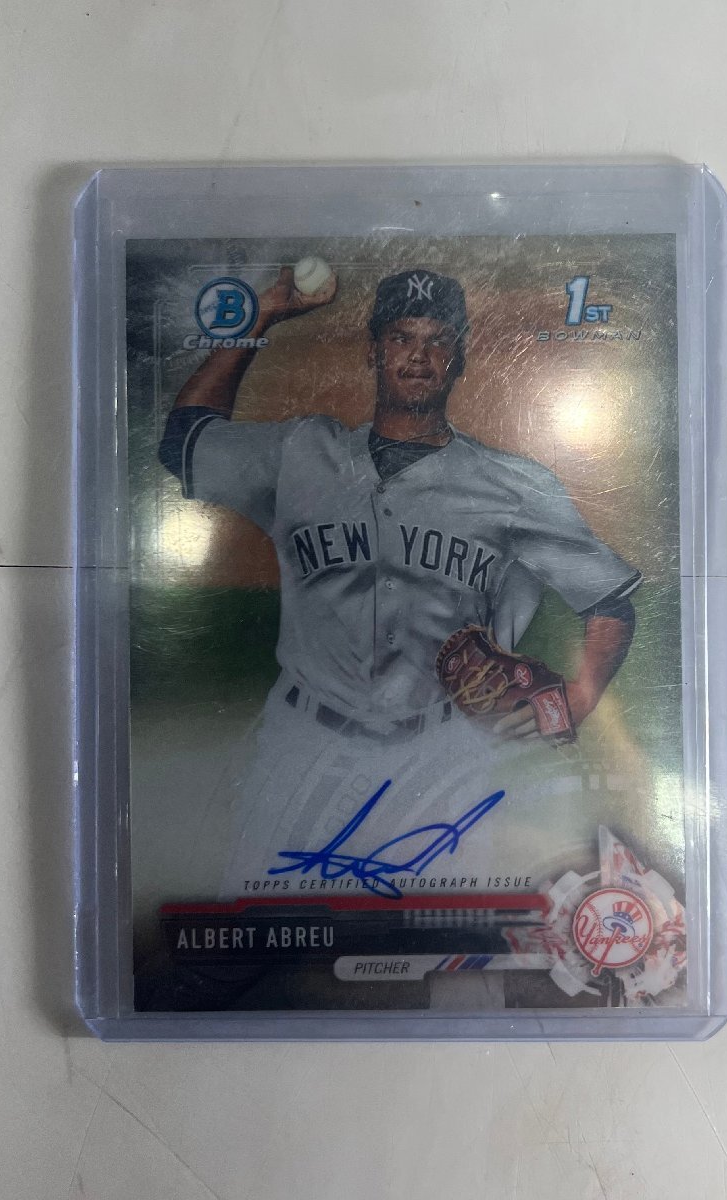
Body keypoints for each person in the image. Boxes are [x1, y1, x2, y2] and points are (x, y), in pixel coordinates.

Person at [158, 266, 641, 896]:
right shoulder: (301, 453)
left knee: (441, 935)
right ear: (374, 352)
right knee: (256, 932)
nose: (419, 354)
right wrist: (263, 313)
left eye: (438, 340)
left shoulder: (514, 486)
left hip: (445, 752)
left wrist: (581, 693)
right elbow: (184, 441)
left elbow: (610, 602)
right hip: (304, 740)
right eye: (401, 337)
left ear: (459, 359)